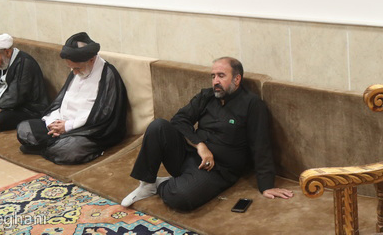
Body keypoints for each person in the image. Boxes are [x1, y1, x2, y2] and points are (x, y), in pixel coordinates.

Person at [121, 56, 294, 211]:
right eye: (213, 76)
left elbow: (261, 145)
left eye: (221, 76)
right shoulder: (207, 96)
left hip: (217, 170)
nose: (215, 81)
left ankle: (163, 185)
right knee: (158, 126)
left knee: (181, 197)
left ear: (237, 79)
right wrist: (200, 145)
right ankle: (147, 184)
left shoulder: (252, 104)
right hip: (190, 155)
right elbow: (179, 120)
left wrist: (266, 186)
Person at [16, 32, 128, 164]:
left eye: (77, 68)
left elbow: (104, 115)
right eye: (71, 68)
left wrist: (68, 126)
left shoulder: (108, 76)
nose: (74, 72)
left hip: (87, 131)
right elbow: (60, 102)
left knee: (68, 150)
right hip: (62, 125)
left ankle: (47, 147)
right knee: (24, 129)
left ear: (92, 60)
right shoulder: (78, 71)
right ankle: (53, 146)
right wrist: (53, 122)